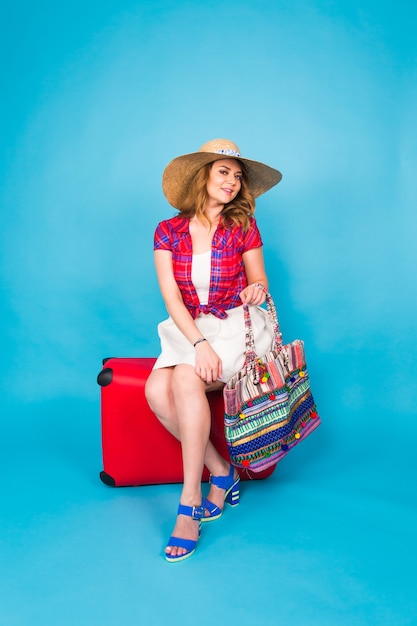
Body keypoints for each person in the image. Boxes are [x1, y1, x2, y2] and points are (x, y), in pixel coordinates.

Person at [145, 138, 282, 562]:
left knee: (184, 378)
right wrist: (198, 343)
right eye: (223, 171)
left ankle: (189, 505)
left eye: (238, 176)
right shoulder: (167, 231)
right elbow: (171, 299)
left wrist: (256, 289)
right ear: (202, 176)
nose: (232, 181)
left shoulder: (243, 227)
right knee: (154, 392)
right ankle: (222, 472)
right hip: (189, 327)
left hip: (234, 325)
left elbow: (259, 279)